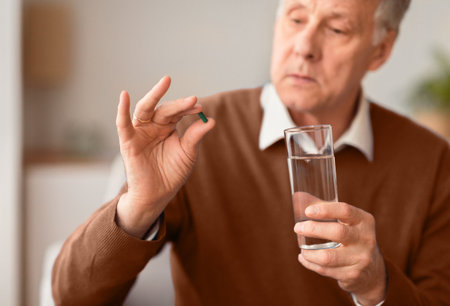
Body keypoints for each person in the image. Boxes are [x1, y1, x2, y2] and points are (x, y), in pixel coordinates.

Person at [52, 0, 450, 305]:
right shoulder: (195, 133)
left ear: (380, 50)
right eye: (296, 18)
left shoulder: (433, 162)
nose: (305, 46)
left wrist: (378, 286)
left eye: (337, 27)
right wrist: (138, 206)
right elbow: (71, 296)